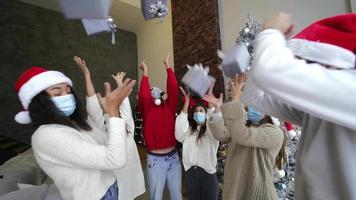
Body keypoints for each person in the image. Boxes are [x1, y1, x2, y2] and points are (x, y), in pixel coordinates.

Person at [241, 13, 356, 199]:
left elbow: (269, 73)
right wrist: (264, 47)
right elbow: (256, 97)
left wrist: (270, 33)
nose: (311, 71)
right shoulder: (320, 111)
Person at [14, 64, 136, 200]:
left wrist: (108, 112)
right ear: (39, 102)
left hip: (111, 187)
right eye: (57, 93)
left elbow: (106, 141)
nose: (66, 96)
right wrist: (113, 111)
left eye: (68, 91)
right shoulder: (46, 136)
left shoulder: (75, 123)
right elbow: (115, 159)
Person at [73, 56, 145, 200]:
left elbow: (123, 102)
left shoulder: (127, 125)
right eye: (106, 99)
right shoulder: (101, 128)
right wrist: (87, 75)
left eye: (112, 100)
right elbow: (93, 104)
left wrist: (119, 85)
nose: (108, 100)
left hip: (130, 184)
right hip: (113, 188)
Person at [204, 74, 284, 200]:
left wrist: (236, 100)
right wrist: (217, 109)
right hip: (235, 189)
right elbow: (221, 135)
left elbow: (242, 134)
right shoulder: (245, 125)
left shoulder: (275, 133)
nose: (251, 107)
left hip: (257, 192)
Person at [138, 54, 182, 200]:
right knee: (156, 196)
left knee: (177, 195)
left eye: (157, 90)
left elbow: (174, 88)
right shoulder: (147, 108)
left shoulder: (169, 106)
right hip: (156, 160)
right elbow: (144, 96)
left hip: (174, 158)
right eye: (152, 90)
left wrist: (168, 67)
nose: (155, 91)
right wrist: (145, 73)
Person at [175, 85, 219, 200]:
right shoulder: (188, 132)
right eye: (196, 111)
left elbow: (214, 122)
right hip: (191, 174)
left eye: (201, 111)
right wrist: (187, 103)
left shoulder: (211, 132)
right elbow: (179, 132)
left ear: (206, 114)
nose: (198, 112)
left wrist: (210, 104)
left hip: (208, 175)